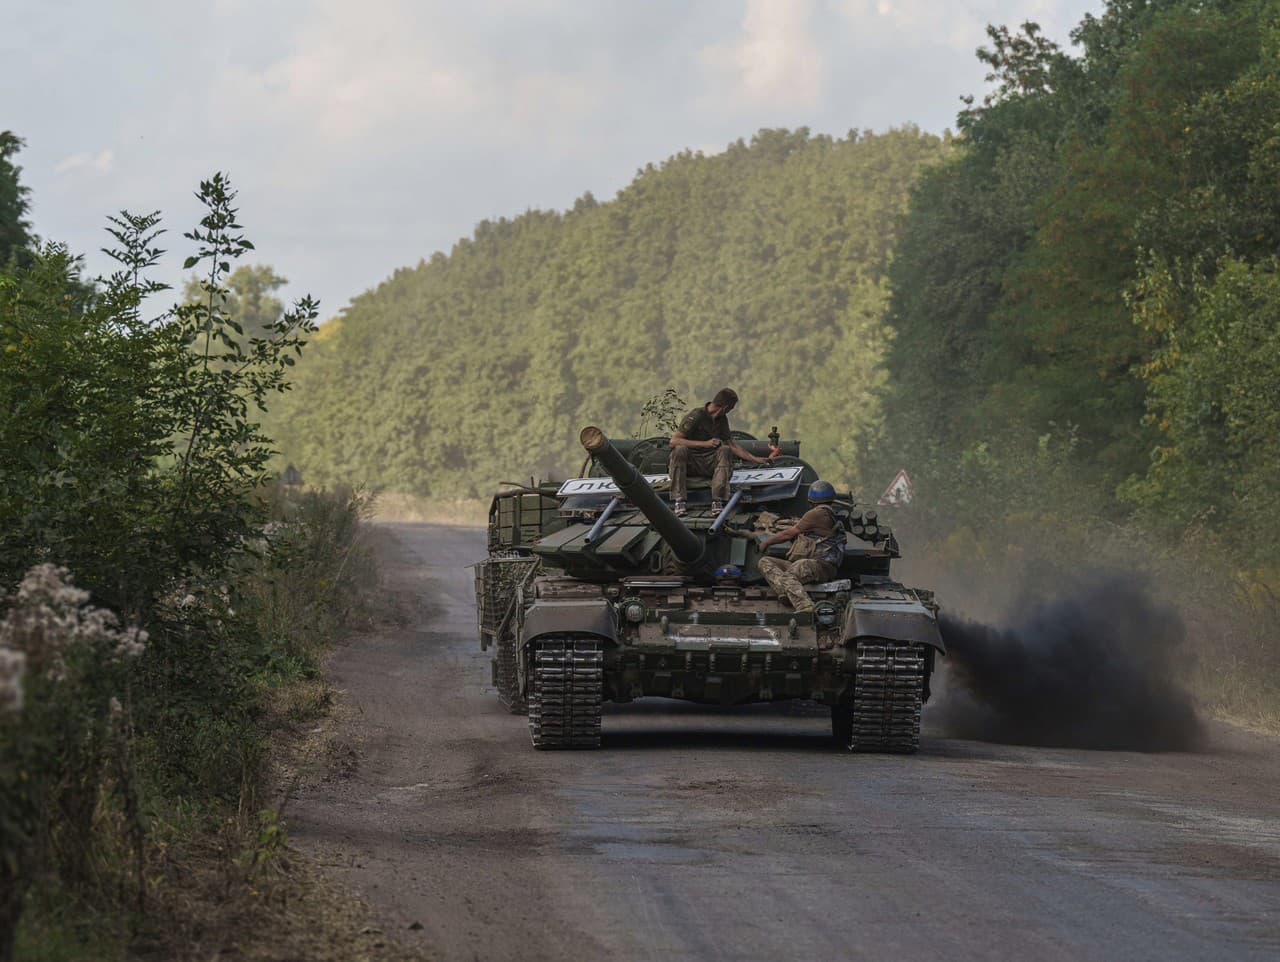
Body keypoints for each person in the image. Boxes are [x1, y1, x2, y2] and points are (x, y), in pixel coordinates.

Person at [668, 388, 769, 516]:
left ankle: (717, 499)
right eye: (731, 408)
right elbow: (674, 441)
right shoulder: (696, 416)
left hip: (710, 462)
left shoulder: (722, 420)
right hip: (690, 462)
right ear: (725, 407)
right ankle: (679, 500)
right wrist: (705, 444)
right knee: (679, 450)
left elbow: (731, 444)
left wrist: (755, 459)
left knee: (725, 449)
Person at [756, 480, 845, 612]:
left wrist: (766, 542)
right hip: (814, 565)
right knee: (765, 562)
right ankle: (787, 591)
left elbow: (788, 534)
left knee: (788, 576)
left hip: (819, 565)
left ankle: (805, 606)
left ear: (811, 500)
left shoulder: (816, 513)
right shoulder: (831, 514)